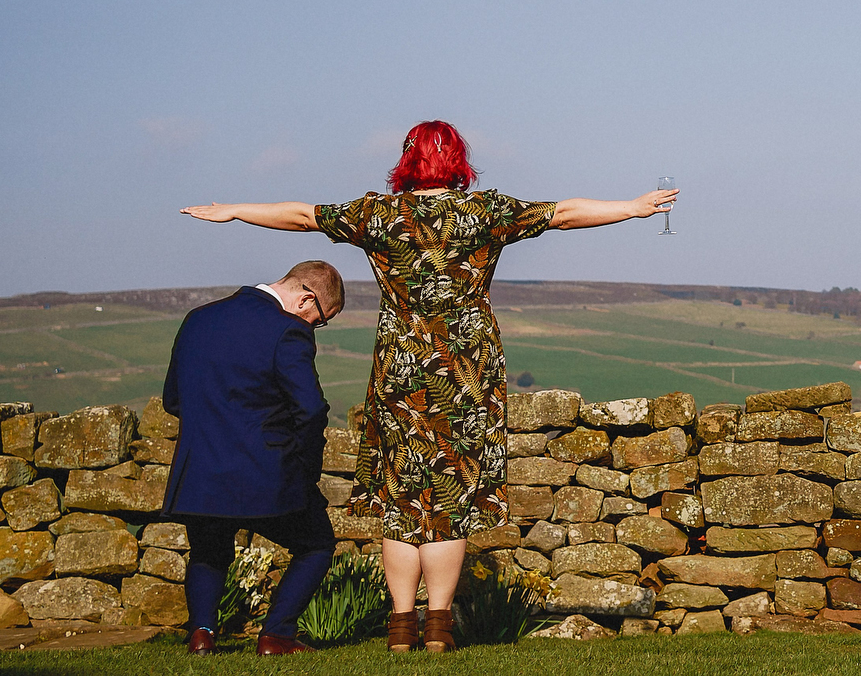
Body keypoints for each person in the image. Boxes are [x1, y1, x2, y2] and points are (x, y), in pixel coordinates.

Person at [181, 120, 676, 654]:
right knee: (451, 502)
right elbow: (564, 213)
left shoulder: (377, 216)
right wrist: (631, 207)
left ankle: (400, 630)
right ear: (460, 161)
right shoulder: (483, 211)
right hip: (466, 374)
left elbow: (301, 216)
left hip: (400, 373)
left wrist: (233, 210)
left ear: (406, 162)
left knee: (403, 502)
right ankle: (437, 629)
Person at [161, 261, 347, 656]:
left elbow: (172, 399)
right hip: (267, 471)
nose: (315, 327)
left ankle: (201, 635)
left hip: (202, 468)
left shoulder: (197, 318)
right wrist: (306, 468)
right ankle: (276, 635)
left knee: (208, 551)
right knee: (316, 544)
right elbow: (311, 410)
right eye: (320, 319)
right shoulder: (288, 331)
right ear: (305, 298)